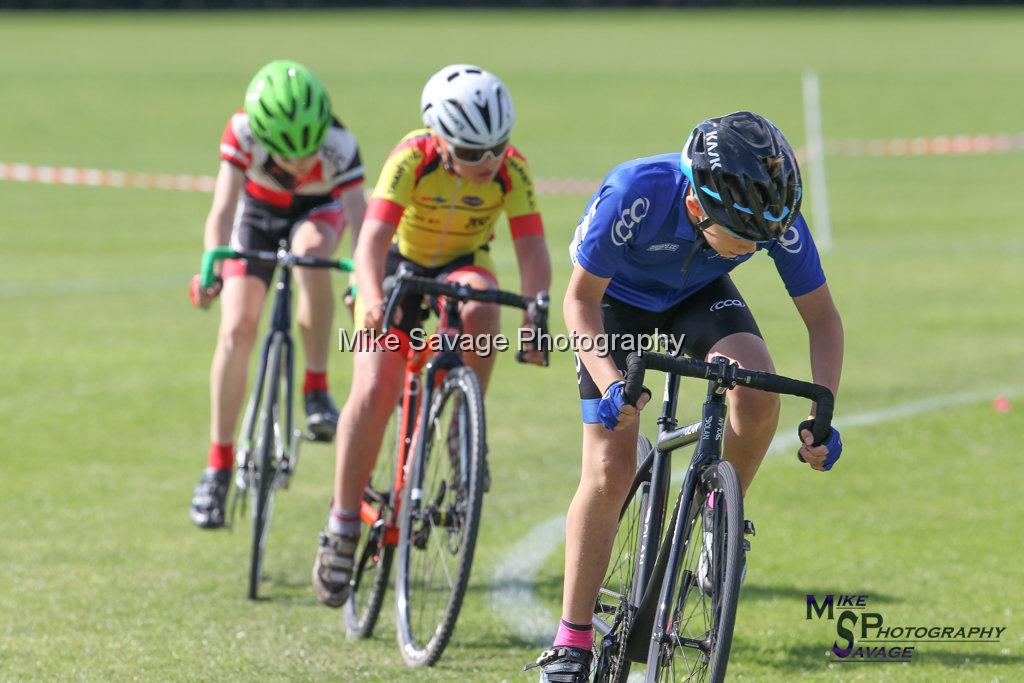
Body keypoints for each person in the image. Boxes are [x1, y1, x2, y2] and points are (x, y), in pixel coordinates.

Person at [525, 111, 845, 681]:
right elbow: (578, 302)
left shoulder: (771, 214)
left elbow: (822, 319)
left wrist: (822, 413)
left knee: (757, 386)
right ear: (698, 206)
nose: (757, 245)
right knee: (609, 464)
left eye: (765, 237)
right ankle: (571, 641)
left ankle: (722, 520)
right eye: (745, 237)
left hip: (695, 293)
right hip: (612, 302)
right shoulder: (635, 193)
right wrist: (610, 383)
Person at [311, 64, 552, 607]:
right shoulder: (411, 159)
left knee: (483, 304)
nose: (487, 165)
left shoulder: (512, 170)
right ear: (441, 140)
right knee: (375, 389)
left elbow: (533, 251)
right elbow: (369, 242)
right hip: (398, 265)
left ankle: (461, 427)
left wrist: (536, 316)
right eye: (471, 154)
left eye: (497, 149)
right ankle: (343, 523)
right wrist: (370, 298)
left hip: (462, 263)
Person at [188, 60, 367, 529]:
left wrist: (360, 280)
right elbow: (223, 210)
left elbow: (363, 225)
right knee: (236, 329)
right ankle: (218, 465)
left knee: (312, 255)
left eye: (309, 153)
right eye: (290, 157)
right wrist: (211, 264)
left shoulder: (341, 146)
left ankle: (315, 387)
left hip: (319, 214)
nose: (303, 164)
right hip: (258, 215)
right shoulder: (243, 131)